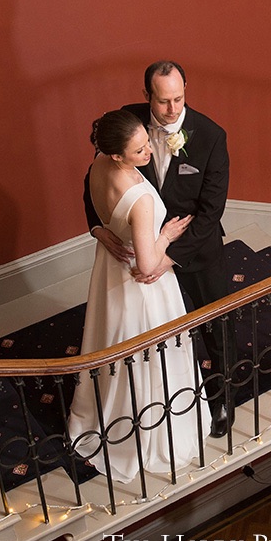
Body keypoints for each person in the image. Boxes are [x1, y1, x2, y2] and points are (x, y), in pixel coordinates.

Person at [83, 61, 235, 437]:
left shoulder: (212, 136)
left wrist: (165, 258)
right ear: (146, 95)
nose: (172, 109)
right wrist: (97, 228)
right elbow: (94, 176)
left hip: (196, 253)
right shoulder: (127, 124)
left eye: (179, 98)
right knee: (157, 334)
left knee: (216, 327)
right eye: (163, 100)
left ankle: (223, 396)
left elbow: (211, 213)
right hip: (145, 252)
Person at [68, 110, 208, 483]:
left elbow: (92, 193)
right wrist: (168, 236)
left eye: (147, 142)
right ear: (117, 155)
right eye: (140, 150)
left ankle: (107, 415)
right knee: (148, 357)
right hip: (141, 287)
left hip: (110, 274)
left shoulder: (98, 162)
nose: (148, 151)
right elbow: (147, 267)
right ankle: (149, 434)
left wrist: (99, 229)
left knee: (114, 344)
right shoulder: (141, 202)